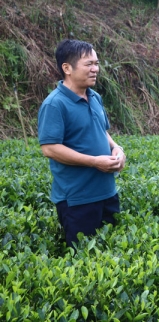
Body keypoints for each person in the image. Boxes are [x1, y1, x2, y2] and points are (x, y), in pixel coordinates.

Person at [38, 39, 125, 248]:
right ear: (67, 68)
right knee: (83, 263)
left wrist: (116, 148)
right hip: (77, 200)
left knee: (112, 256)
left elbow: (102, 131)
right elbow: (49, 148)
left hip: (107, 192)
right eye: (89, 64)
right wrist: (94, 161)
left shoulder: (94, 97)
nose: (95, 69)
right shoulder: (54, 104)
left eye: (96, 63)